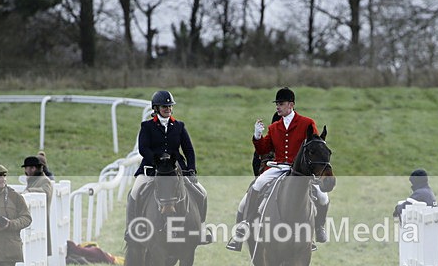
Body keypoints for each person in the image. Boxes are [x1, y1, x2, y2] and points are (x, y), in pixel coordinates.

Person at [226, 87, 330, 252]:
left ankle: (318, 227)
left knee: (323, 197)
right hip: (279, 167)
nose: (278, 107)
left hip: (300, 170)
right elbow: (263, 149)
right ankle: (245, 225)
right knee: (257, 185)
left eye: (281, 104)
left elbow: (315, 145)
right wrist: (257, 136)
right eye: (277, 104)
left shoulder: (307, 123)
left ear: (291, 105)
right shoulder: (274, 127)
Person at [129, 90, 210, 243]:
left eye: (170, 106)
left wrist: (191, 168)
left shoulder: (179, 126)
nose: (168, 109)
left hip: (176, 169)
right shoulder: (147, 126)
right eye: (164, 106)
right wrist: (157, 161)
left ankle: (202, 228)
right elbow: (143, 148)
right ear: (156, 108)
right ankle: (132, 228)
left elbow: (188, 149)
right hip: (151, 168)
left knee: (202, 193)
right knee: (134, 193)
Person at [23, 155, 54, 256]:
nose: (25, 171)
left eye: (26, 168)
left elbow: (45, 192)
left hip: (40, 218)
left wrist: (29, 191)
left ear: (33, 168)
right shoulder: (33, 180)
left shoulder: (44, 180)